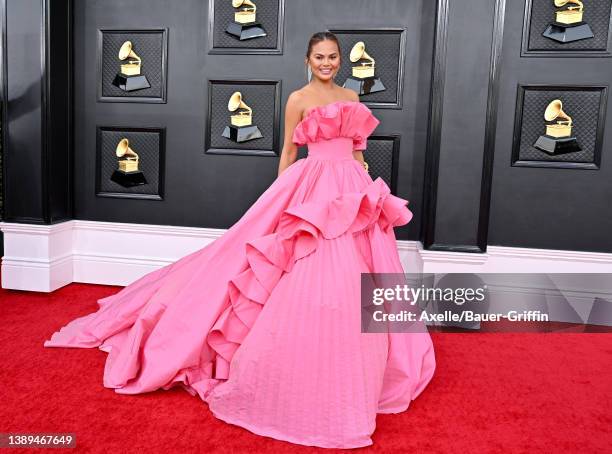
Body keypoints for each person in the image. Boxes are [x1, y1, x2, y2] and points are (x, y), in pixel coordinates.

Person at [44, 31, 436, 449]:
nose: (326, 63)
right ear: (308, 59)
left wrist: (368, 190)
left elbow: (358, 152)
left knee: (358, 270)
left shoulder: (354, 100)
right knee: (301, 263)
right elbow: (289, 152)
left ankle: (353, 357)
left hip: (350, 189)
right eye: (319, 56)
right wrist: (281, 199)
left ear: (340, 61)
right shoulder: (298, 99)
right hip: (312, 187)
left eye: (332, 57)